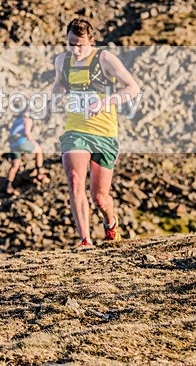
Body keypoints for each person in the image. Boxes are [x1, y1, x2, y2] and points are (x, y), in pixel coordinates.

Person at [51, 18, 140, 248]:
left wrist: (106, 102)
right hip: (76, 129)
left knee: (99, 197)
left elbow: (132, 88)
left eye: (81, 44)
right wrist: (50, 102)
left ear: (91, 41)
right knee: (74, 180)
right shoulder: (63, 60)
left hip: (104, 133)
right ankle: (85, 240)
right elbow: (60, 84)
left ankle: (111, 224)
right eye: (71, 44)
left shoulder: (105, 58)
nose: (76, 50)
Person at [6, 110, 49, 193]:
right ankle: (39, 173)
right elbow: (27, 132)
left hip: (12, 145)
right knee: (39, 151)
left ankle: (9, 186)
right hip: (21, 142)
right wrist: (32, 141)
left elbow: (11, 133)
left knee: (15, 166)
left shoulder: (15, 122)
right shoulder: (27, 120)